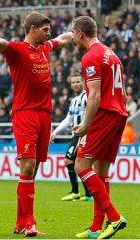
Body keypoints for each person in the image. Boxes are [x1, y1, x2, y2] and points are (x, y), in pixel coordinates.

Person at [0, 11, 72, 236]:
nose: (49, 34)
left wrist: (81, 31)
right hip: (25, 113)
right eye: (45, 30)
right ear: (32, 29)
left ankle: (20, 222)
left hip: (45, 115)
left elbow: (65, 38)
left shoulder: (45, 48)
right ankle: (30, 222)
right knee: (27, 167)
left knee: (33, 170)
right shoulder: (17, 50)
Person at [71, 16, 128, 239]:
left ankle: (114, 217)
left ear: (80, 33)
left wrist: (86, 123)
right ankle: (96, 227)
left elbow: (94, 94)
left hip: (104, 115)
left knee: (80, 166)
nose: (73, 38)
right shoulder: (111, 54)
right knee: (100, 170)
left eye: (73, 34)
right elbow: (121, 90)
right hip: (118, 113)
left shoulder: (90, 56)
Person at [51, 74, 92, 202]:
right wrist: (56, 131)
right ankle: (88, 194)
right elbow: (69, 119)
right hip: (77, 135)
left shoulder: (87, 97)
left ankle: (75, 192)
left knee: (69, 160)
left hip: (83, 134)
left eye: (78, 82)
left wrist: (86, 125)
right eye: (73, 82)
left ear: (83, 82)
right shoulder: (74, 101)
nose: (75, 84)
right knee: (81, 165)